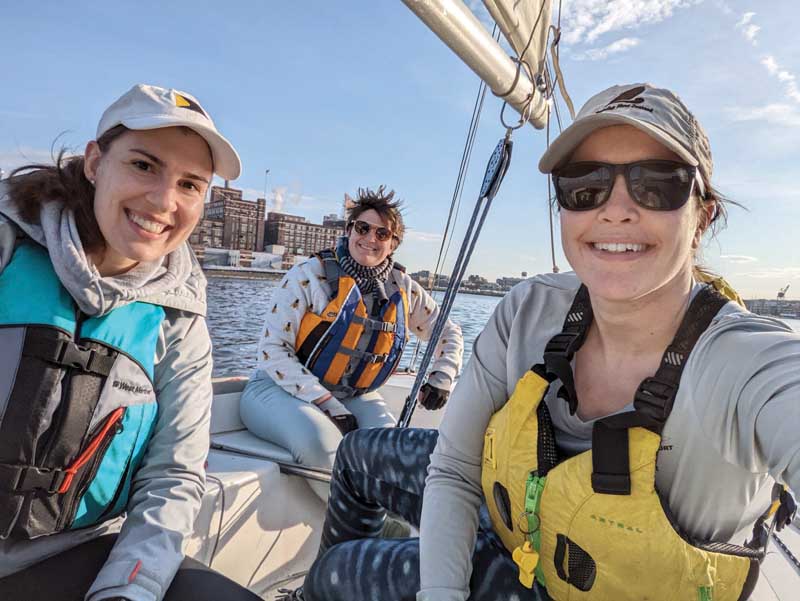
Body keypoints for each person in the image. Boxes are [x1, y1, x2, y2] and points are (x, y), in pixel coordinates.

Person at [291, 83, 800, 601]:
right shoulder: (528, 309)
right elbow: (455, 468)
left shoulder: (748, 363)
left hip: (567, 588)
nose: (616, 209)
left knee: (338, 572)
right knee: (355, 453)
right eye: (585, 184)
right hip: (515, 514)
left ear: (702, 218)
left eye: (658, 184)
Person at [0, 84, 261, 601]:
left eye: (190, 184)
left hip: (78, 552)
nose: (164, 201)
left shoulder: (180, 320)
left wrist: (127, 591)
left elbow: (173, 475)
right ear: (95, 162)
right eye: (143, 165)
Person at [240, 186, 463, 499]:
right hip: (276, 390)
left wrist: (443, 377)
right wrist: (328, 405)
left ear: (393, 243)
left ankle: (387, 530)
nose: (370, 238)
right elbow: (272, 351)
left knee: (392, 452)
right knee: (322, 443)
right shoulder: (308, 275)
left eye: (382, 233)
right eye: (363, 228)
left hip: (351, 394)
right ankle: (364, 527)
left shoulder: (404, 288)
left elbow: (447, 332)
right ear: (348, 230)